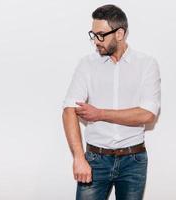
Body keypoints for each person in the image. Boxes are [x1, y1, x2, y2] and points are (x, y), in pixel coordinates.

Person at [62, 4, 161, 200]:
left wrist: (100, 114)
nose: (95, 41)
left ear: (119, 33)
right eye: (93, 34)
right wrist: (79, 158)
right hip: (95, 160)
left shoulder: (146, 64)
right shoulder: (87, 64)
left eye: (101, 35)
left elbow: (148, 114)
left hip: (133, 160)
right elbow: (69, 110)